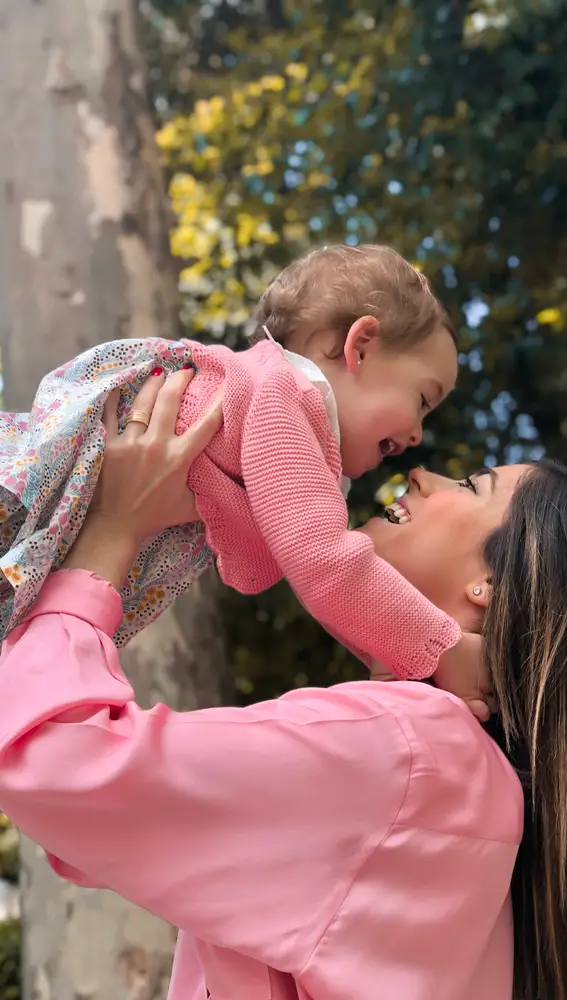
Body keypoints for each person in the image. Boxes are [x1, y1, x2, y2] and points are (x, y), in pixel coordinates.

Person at [0, 370, 564, 1000]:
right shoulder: (468, 786)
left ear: (491, 589)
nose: (421, 475)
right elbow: (114, 827)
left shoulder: (406, 746)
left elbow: (56, 762)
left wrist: (109, 532)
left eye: (471, 485)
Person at [0, 244, 477, 704]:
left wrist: (401, 656)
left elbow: (332, 587)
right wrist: (445, 648)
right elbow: (327, 565)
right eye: (421, 400)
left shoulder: (284, 425)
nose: (417, 436)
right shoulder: (286, 395)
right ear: (362, 347)